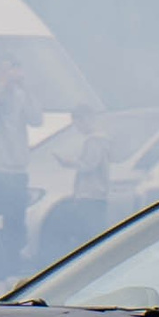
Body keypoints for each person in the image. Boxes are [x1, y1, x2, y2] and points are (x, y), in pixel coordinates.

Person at [0, 54, 41, 277]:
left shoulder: (23, 96)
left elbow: (36, 119)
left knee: (15, 224)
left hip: (16, 170)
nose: (12, 75)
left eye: (15, 70)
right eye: (7, 70)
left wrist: (27, 89)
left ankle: (11, 273)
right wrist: (3, 85)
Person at [35, 109, 117, 263]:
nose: (78, 129)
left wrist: (69, 162)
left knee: (87, 236)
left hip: (90, 195)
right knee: (93, 234)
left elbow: (89, 165)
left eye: (78, 124)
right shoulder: (104, 140)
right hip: (98, 195)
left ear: (86, 119)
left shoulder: (94, 141)